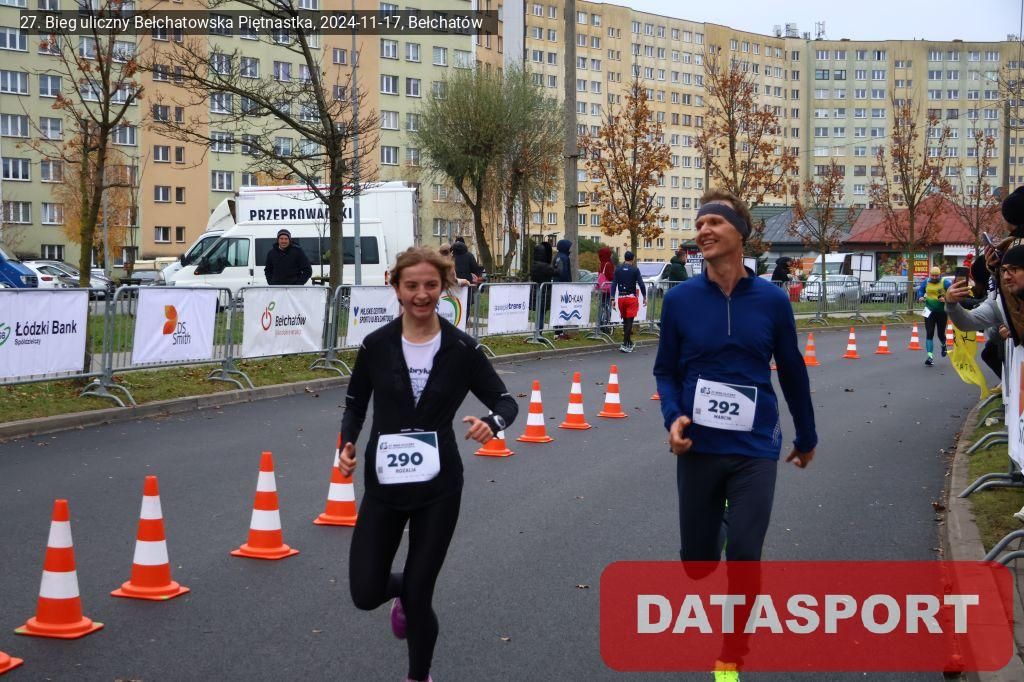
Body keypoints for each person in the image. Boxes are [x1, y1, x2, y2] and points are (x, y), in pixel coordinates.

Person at [653, 189, 817, 676]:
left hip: (754, 445)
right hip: (699, 445)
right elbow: (665, 371)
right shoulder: (680, 300)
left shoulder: (771, 300)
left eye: (714, 223)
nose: (702, 230)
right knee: (699, 565)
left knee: (746, 554)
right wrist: (673, 417)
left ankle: (732, 652)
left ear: (740, 234)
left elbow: (792, 370)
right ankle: (718, 529)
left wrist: (806, 435)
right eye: (699, 224)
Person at [338, 246, 518, 682]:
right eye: (412, 285)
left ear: (444, 287)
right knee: (365, 593)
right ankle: (404, 590)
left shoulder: (461, 348)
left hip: (439, 489)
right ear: (396, 287)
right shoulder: (376, 345)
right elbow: (355, 404)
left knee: (421, 597)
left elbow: (505, 401)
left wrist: (492, 424)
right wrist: (346, 445)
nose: (422, 294)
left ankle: (419, 676)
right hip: (384, 486)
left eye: (431, 285)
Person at [945, 246, 1022, 377]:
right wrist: (951, 303)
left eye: (1013, 269)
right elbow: (968, 322)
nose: (1006, 277)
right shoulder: (998, 302)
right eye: (1004, 270)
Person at [612, 251, 647, 352]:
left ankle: (629, 342)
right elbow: (641, 284)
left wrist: (612, 298)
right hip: (631, 298)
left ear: (624, 258)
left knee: (625, 321)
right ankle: (625, 344)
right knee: (629, 322)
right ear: (633, 259)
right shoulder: (635, 270)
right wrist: (644, 296)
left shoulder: (618, 269)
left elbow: (614, 284)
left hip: (621, 298)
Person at [916, 266, 950, 366]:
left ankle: (944, 345)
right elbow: (920, 291)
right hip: (928, 310)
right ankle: (930, 357)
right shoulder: (926, 282)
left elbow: (952, 293)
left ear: (940, 275)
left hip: (941, 311)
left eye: (936, 276)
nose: (934, 277)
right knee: (929, 333)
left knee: (940, 334)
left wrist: (946, 298)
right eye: (932, 275)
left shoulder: (945, 282)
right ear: (930, 275)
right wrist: (920, 297)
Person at [596, 246, 615, 334]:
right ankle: (607, 324)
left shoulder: (601, 264)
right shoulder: (608, 264)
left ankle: (600, 323)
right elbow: (611, 277)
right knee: (608, 307)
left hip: (601, 289)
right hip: (608, 290)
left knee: (602, 307)